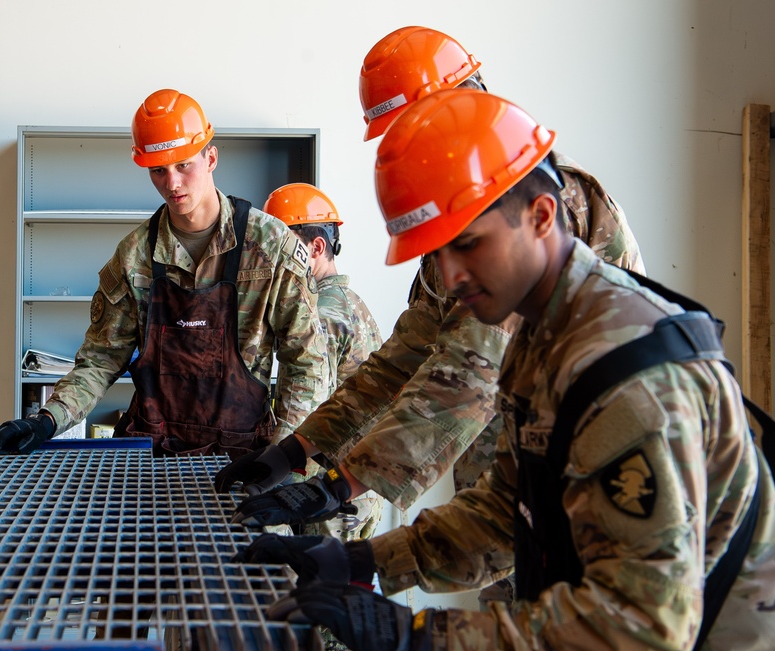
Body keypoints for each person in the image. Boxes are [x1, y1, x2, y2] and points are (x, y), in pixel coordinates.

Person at [241, 89, 775, 651]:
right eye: (437, 254)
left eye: (468, 245)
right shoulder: (544, 335)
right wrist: (363, 561)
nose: (451, 276)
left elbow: (641, 630)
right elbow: (507, 511)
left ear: (544, 216)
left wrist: (421, 639)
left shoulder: (624, 377)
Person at [215, 27, 644, 560]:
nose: (404, 151)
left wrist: (339, 485)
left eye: (409, 130)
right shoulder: (463, 217)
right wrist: (296, 450)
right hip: (516, 469)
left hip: (606, 472)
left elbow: (468, 375)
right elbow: (404, 357)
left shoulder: (532, 206)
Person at [0, 89, 329, 458]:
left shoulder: (270, 247)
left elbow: (306, 365)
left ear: (211, 157)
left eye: (183, 166)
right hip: (150, 456)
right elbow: (101, 360)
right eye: (158, 170)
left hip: (241, 459)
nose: (172, 183)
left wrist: (284, 455)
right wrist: (45, 421)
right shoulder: (135, 256)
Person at [264, 182, 386, 651]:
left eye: (285, 252)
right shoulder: (346, 303)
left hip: (337, 493)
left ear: (316, 248)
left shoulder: (327, 315)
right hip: (348, 487)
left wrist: (277, 465)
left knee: (335, 627)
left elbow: (308, 407)